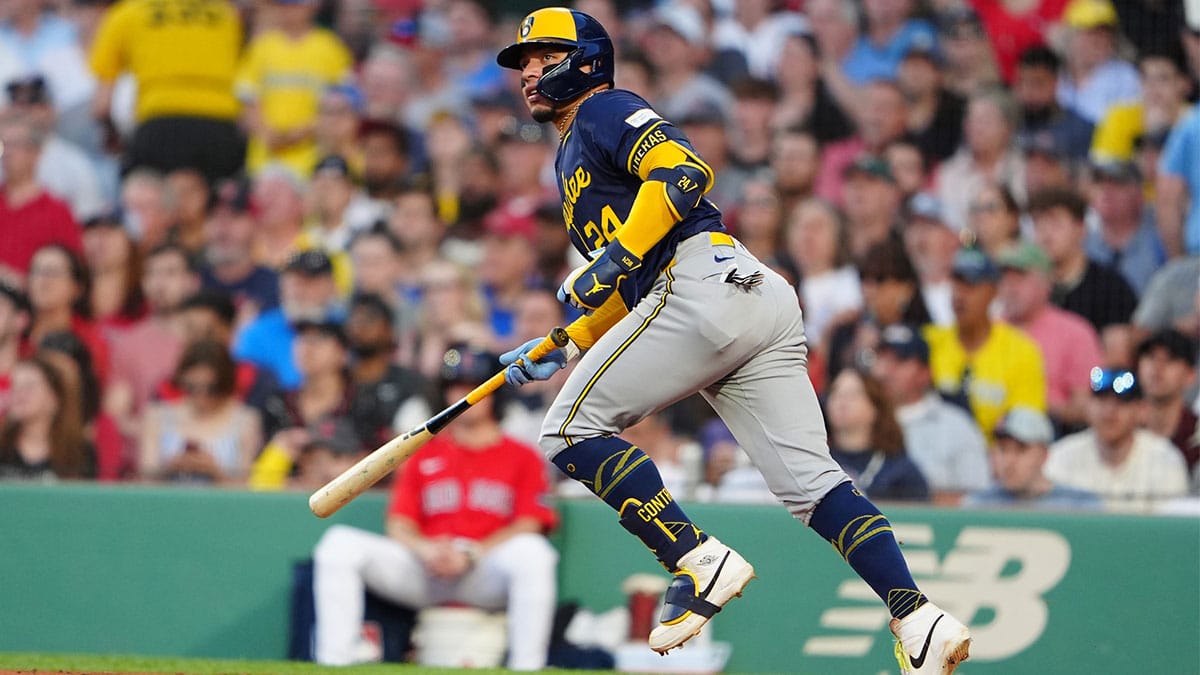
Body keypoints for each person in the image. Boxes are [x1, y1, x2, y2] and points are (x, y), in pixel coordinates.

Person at [492, 9, 971, 672]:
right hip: (746, 296)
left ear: (587, 59)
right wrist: (565, 339)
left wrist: (613, 259)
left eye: (542, 55)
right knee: (812, 484)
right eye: (522, 62)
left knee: (568, 432)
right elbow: (630, 287)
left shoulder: (604, 112)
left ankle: (694, 556)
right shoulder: (569, 155)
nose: (527, 72)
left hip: (698, 283)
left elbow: (684, 174)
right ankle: (918, 615)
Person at [312, 346, 559, 668]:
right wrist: (425, 550)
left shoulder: (522, 455)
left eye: (473, 385)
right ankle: (334, 665)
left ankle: (527, 667)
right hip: (426, 568)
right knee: (338, 545)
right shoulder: (424, 452)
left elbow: (531, 523)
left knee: (535, 554)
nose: (463, 394)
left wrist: (471, 553)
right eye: (455, 386)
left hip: (483, 569)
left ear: (494, 393)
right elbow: (399, 523)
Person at [88, 0, 245, 182]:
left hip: (160, 124)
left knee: (149, 199)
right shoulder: (226, 14)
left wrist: (112, 135)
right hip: (220, 126)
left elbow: (101, 106)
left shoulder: (127, 13)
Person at [924, 247, 1047, 440]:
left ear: (992, 292)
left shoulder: (1021, 350)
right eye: (956, 285)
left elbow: (1025, 423)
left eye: (970, 286)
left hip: (994, 458)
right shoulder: (930, 342)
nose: (959, 295)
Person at [870, 324, 990, 504]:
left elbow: (979, 497)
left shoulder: (956, 425)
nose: (885, 371)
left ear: (925, 373)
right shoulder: (859, 417)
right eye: (881, 359)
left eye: (899, 362)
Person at [996, 241, 1104, 433]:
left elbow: (1088, 406)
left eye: (1020, 278)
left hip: (1055, 435)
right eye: (1005, 279)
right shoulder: (989, 330)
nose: (1010, 288)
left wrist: (1030, 399)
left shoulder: (1076, 333)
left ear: (1045, 283)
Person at [235, 0, 352, 176]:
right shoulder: (262, 47)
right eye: (284, 5)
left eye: (296, 5)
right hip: (265, 156)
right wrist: (267, 133)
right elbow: (246, 97)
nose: (290, 11)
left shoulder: (330, 47)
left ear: (313, 6)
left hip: (312, 156)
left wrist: (302, 132)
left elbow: (346, 103)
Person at [1045, 367, 1189, 507]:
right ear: (1088, 406)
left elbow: (1172, 525)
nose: (1109, 412)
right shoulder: (1060, 456)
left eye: (1121, 403)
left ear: (1141, 410)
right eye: (1101, 401)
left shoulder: (1165, 458)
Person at [138, 339, 261, 483]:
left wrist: (214, 472)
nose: (201, 397)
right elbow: (144, 484)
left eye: (211, 389)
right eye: (192, 387)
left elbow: (245, 491)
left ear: (225, 384)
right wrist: (170, 468)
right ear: (181, 380)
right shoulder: (157, 416)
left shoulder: (245, 420)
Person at [1028, 186, 1138, 333]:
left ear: (1081, 228)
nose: (1045, 234)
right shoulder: (1028, 288)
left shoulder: (1111, 288)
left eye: (1055, 223)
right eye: (1038, 224)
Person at [825, 368, 931, 502]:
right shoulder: (818, 462)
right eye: (836, 393)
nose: (841, 402)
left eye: (852, 395)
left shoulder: (901, 470)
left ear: (875, 407)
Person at [963, 407, 1103, 509]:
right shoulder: (978, 504)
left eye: (1021, 450)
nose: (1009, 461)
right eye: (1003, 449)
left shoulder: (1079, 505)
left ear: (1044, 455)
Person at [0, 114, 81, 282]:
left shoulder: (57, 212)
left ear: (36, 153)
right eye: (3, 145)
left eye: (15, 145)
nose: (7, 152)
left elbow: (73, 272)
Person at [0, 354, 93, 481]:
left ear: (55, 397)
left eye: (28, 386)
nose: (18, 393)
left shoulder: (79, 452)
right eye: (14, 386)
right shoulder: (3, 447)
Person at [1134, 331, 1199, 472]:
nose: (1157, 367)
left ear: (1191, 375)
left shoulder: (1197, 436)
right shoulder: (1121, 427)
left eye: (1170, 359)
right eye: (1150, 357)